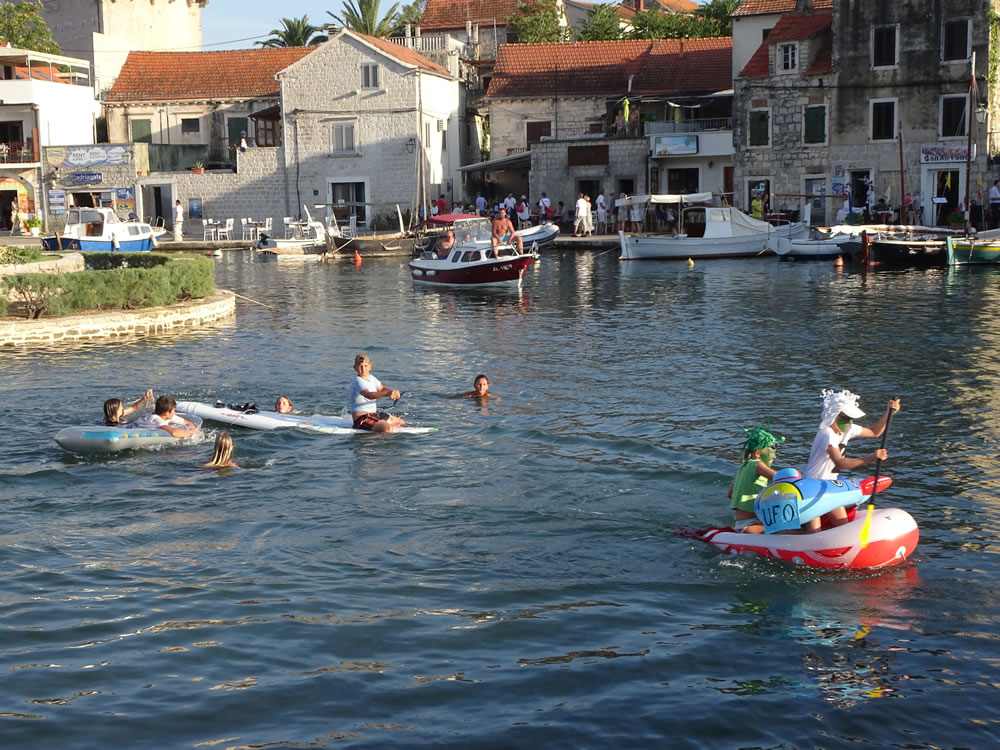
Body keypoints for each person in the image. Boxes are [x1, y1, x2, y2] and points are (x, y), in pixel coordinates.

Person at [802, 389, 901, 532]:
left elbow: (874, 432)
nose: (849, 422)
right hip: (811, 488)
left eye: (851, 419)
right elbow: (840, 463)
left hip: (830, 487)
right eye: (846, 418)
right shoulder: (826, 434)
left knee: (843, 527)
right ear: (835, 415)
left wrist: (889, 413)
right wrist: (871, 458)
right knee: (813, 532)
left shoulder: (848, 429)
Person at [728, 424, 783, 533]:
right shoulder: (757, 465)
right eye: (771, 453)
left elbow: (730, 494)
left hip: (741, 524)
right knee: (788, 531)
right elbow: (780, 478)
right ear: (758, 453)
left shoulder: (743, 467)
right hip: (751, 525)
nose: (774, 457)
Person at [350, 353, 406, 433]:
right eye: (360, 366)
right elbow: (369, 395)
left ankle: (380, 426)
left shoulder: (372, 378)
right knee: (387, 429)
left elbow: (382, 388)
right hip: (362, 419)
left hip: (375, 415)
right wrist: (387, 394)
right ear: (355, 368)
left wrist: (392, 392)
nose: (363, 369)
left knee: (401, 422)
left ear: (370, 366)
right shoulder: (358, 381)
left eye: (365, 366)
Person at [129, 395, 199, 438]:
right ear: (167, 413)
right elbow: (174, 433)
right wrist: (191, 433)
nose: (175, 412)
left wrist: (193, 428)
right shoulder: (155, 419)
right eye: (174, 410)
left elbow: (187, 422)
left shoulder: (167, 416)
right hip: (128, 431)